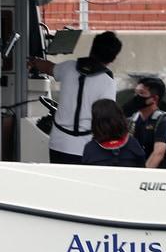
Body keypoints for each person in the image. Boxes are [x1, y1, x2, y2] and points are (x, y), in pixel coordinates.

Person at [32, 31, 122, 165]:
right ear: (113, 59)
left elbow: (48, 67)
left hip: (58, 143)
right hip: (85, 148)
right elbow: (105, 120)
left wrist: (34, 62)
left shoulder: (68, 67)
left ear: (92, 49)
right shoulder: (108, 83)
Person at [82, 99, 147, 168]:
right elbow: (142, 170)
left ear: (96, 122)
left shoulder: (91, 149)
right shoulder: (133, 144)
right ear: (120, 118)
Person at [126, 76, 166, 169]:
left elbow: (158, 154)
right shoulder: (132, 121)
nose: (136, 97)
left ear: (154, 99)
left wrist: (143, 175)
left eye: (141, 93)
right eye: (135, 93)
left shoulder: (163, 122)